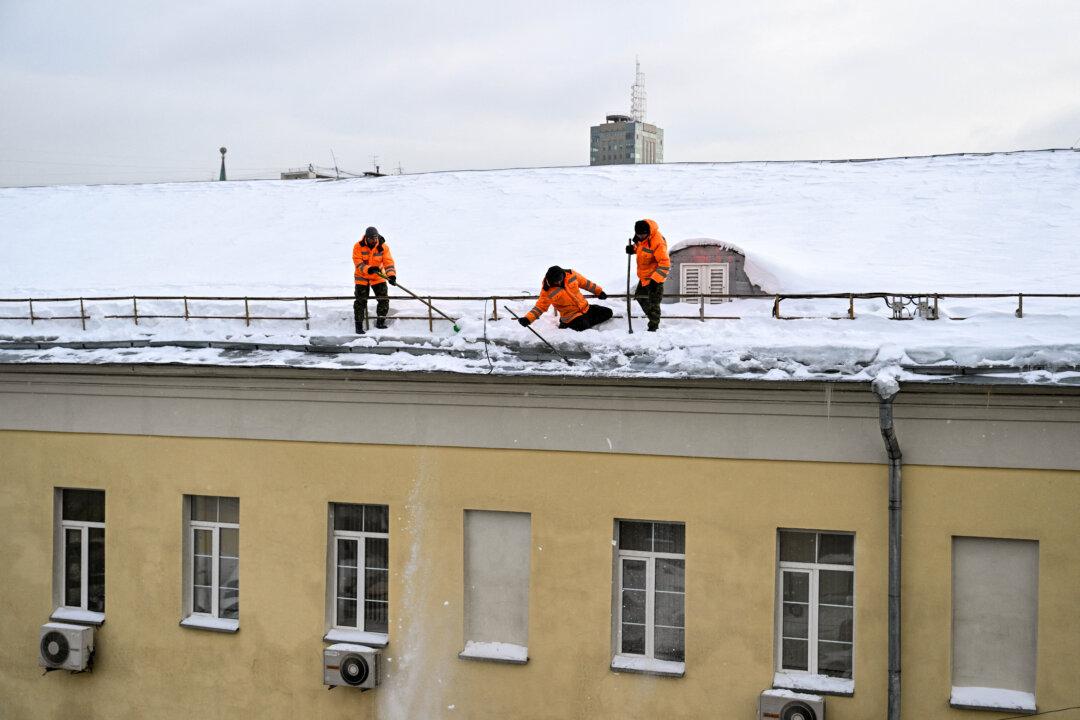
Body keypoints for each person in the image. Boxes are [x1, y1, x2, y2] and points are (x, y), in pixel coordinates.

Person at [519, 266, 613, 331]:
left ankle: (579, 323)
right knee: (585, 328)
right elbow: (540, 307)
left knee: (608, 312)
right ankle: (568, 324)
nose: (558, 282)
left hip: (586, 308)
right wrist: (528, 319)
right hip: (571, 317)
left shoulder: (571, 274)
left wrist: (598, 291)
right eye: (556, 282)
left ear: (563, 275)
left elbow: (586, 283)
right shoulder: (547, 290)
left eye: (559, 280)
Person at [626, 218, 670, 331]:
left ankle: (653, 328)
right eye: (638, 235)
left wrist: (656, 280)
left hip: (655, 278)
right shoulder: (641, 238)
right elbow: (642, 248)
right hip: (644, 277)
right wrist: (633, 249)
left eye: (642, 235)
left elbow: (665, 263)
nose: (640, 237)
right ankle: (652, 317)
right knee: (640, 297)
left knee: (654, 303)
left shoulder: (658, 242)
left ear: (648, 232)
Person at [352, 226, 397, 333]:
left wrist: (391, 275)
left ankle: (380, 322)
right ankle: (358, 326)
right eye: (372, 238)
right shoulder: (358, 246)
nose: (374, 240)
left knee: (383, 300)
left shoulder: (383, 247)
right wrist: (369, 269)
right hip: (362, 277)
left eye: (376, 238)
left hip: (378, 277)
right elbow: (358, 263)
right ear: (366, 238)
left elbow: (388, 262)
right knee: (361, 302)